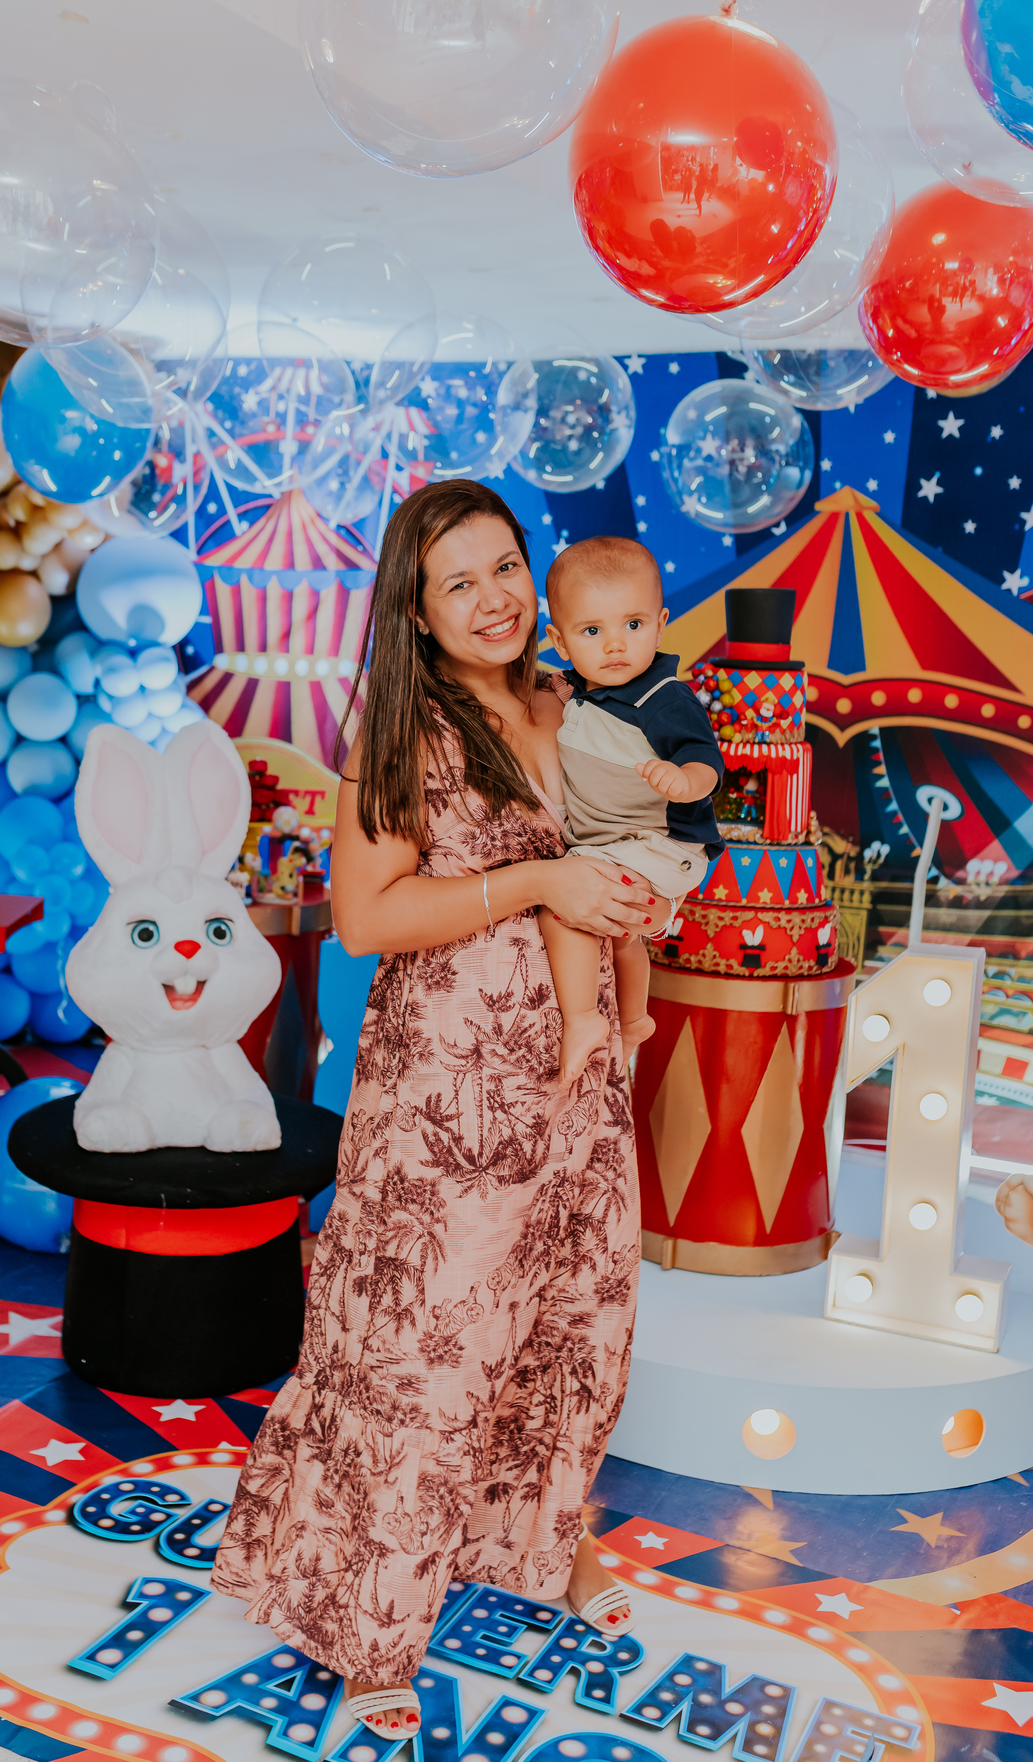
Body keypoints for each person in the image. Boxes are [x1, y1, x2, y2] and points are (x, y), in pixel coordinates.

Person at [213, 482, 652, 1738]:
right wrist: (538, 876)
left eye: (507, 568)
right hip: (448, 1107)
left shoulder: (576, 708)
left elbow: (624, 852)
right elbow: (366, 920)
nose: (497, 599)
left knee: (574, 1326)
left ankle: (544, 1548)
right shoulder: (406, 735)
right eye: (460, 582)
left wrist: (629, 915)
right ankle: (376, 1619)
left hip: (577, 1086)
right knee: (427, 1356)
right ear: (414, 609)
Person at [539, 537, 724, 1083]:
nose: (615, 645)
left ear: (661, 624)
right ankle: (636, 1019)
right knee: (622, 933)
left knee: (563, 909)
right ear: (560, 641)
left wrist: (685, 779)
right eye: (592, 632)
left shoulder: (663, 697)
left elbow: (704, 756)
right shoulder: (570, 689)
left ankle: (583, 1020)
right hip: (614, 841)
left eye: (634, 625)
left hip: (662, 842)